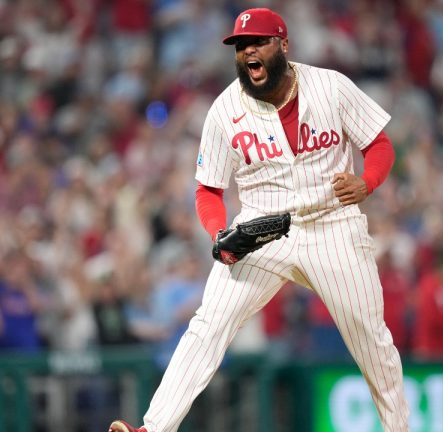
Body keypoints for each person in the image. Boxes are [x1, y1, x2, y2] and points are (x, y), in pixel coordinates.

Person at [109, 7, 410, 432]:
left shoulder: (330, 86)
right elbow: (208, 190)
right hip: (262, 229)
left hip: (332, 223)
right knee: (209, 323)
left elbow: (378, 144)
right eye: (240, 46)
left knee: (371, 341)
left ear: (283, 45)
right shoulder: (225, 110)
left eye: (258, 42)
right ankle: (152, 429)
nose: (248, 51)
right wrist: (220, 234)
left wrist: (368, 182)